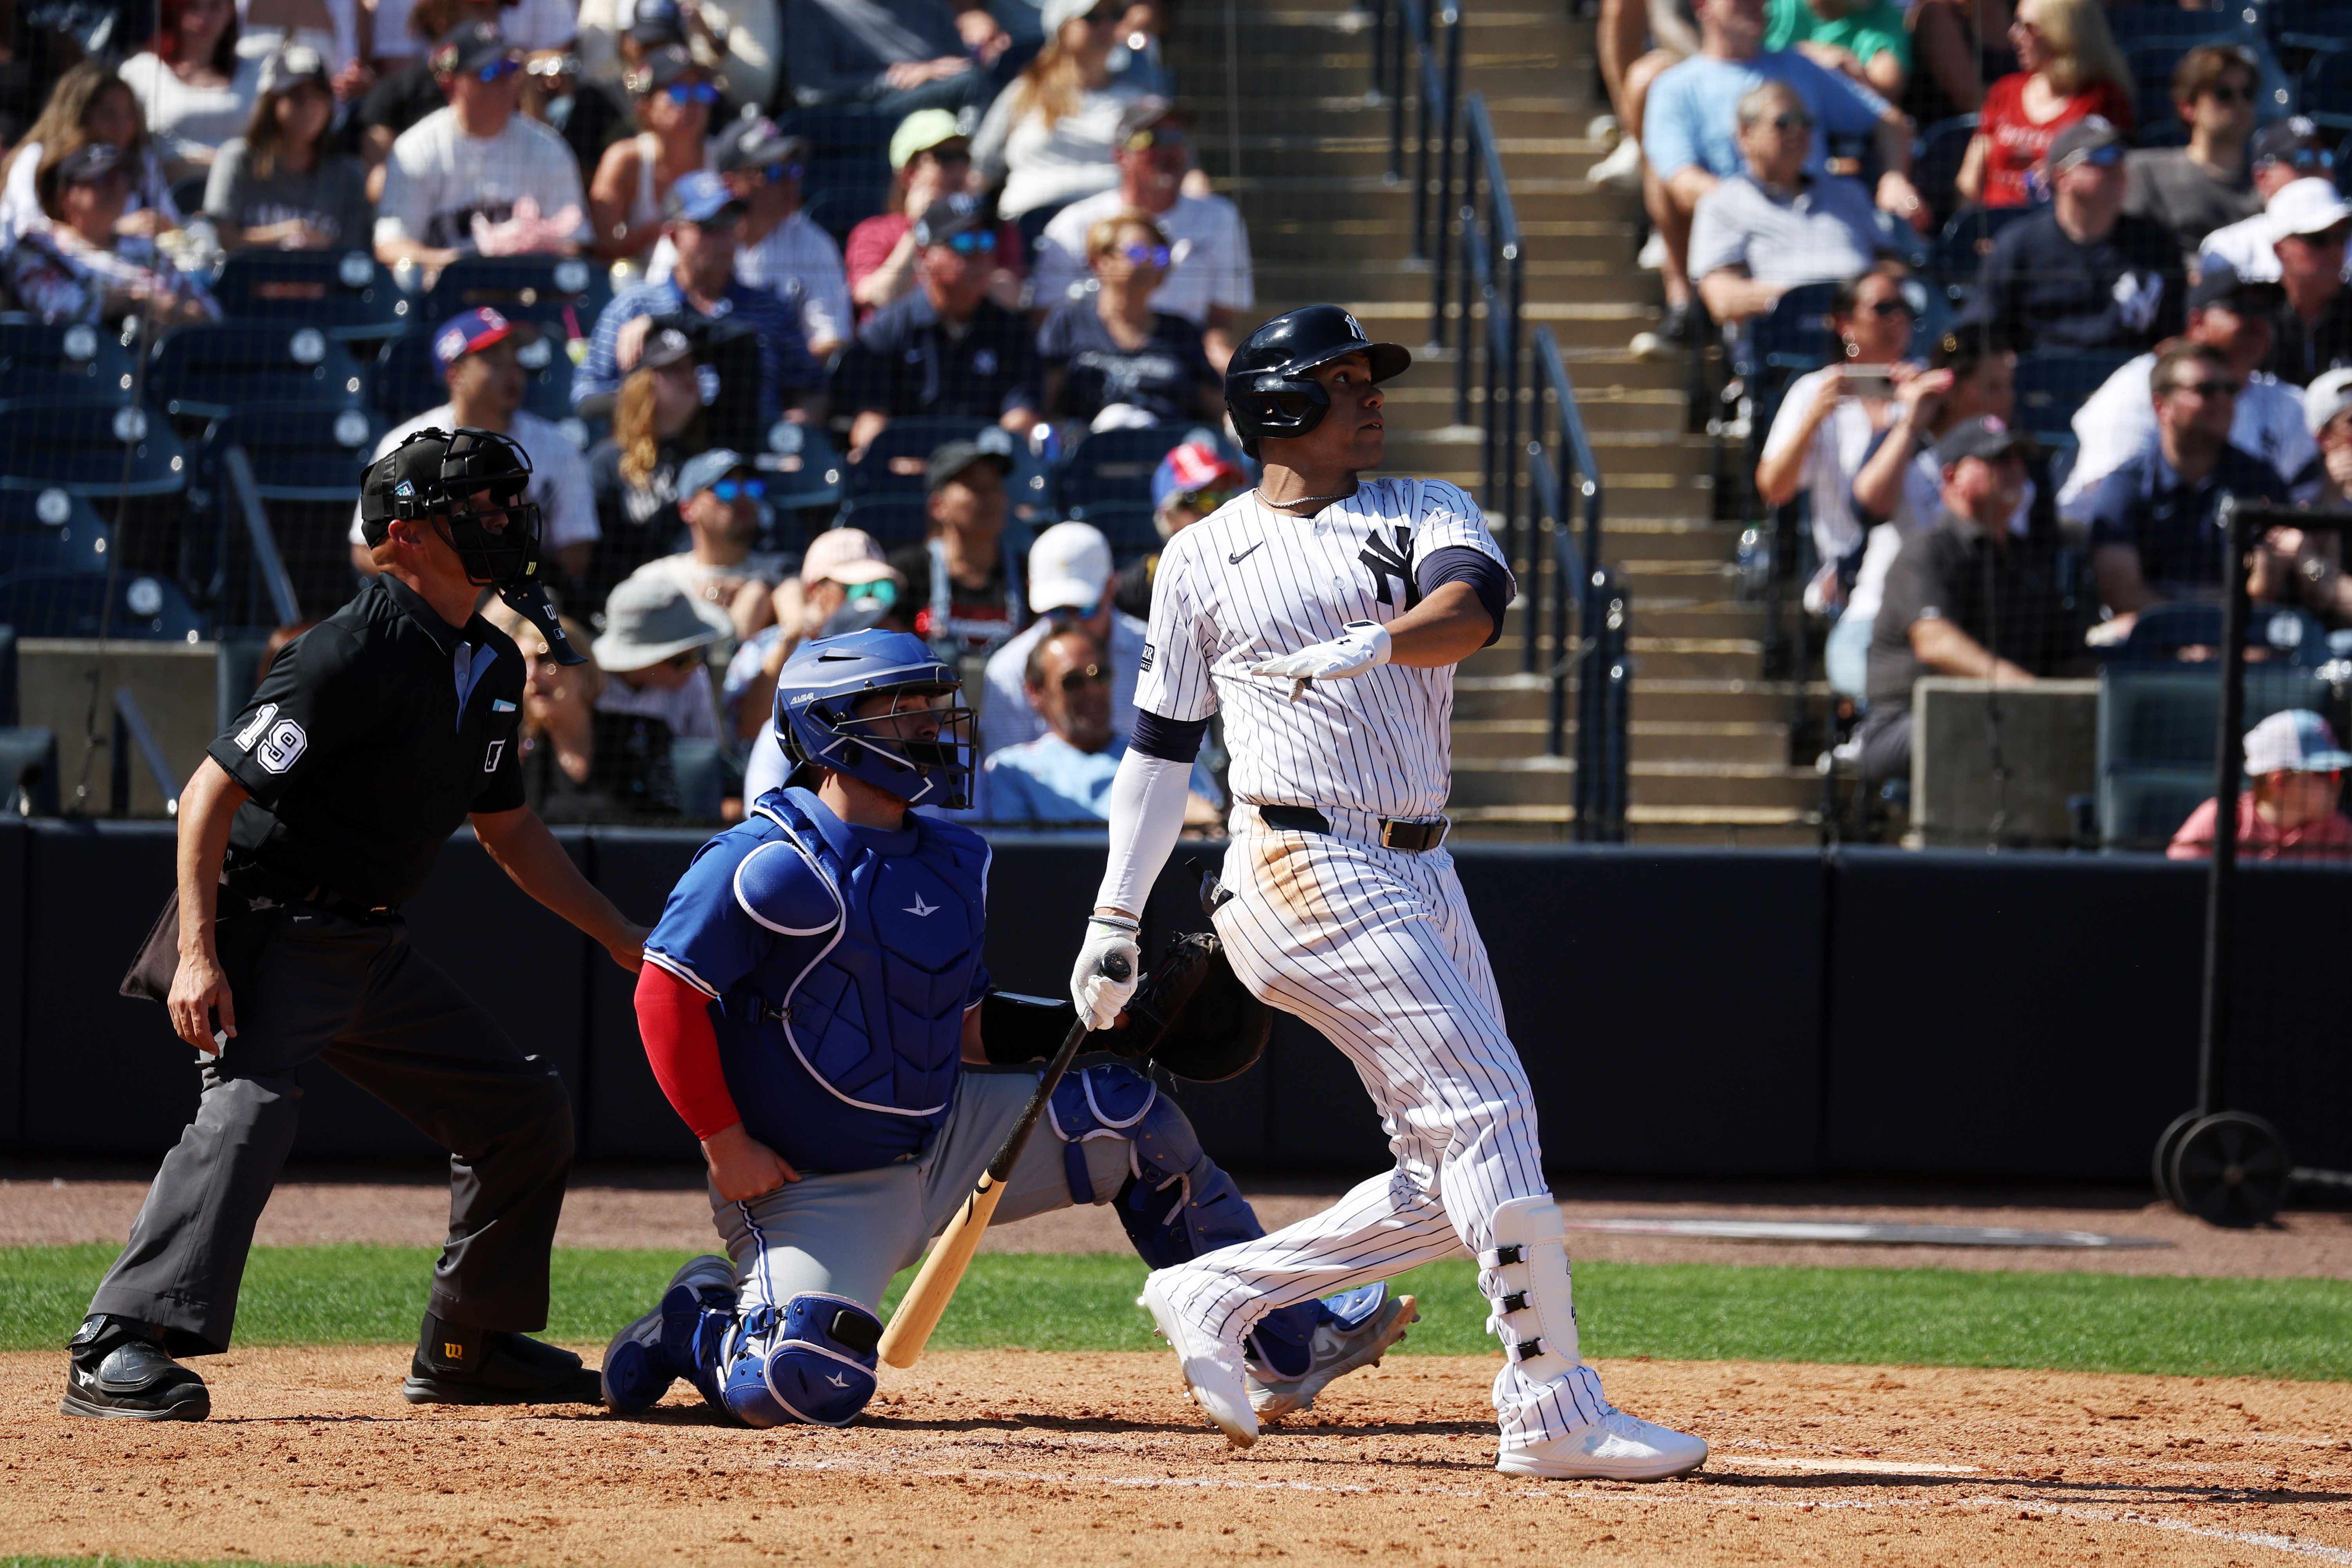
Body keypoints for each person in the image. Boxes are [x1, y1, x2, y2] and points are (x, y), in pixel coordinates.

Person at [1069, 304, 1706, 1476]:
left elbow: (1469, 609)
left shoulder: (1427, 505)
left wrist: (1376, 644)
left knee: (1447, 1166)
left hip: (1419, 861)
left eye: (1369, 378)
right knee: (1489, 1114)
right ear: (1274, 406)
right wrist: (1114, 916)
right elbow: (1159, 753)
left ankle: (1218, 1290)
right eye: (1341, 380)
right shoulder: (1203, 555)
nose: (1370, 397)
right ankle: (1550, 1407)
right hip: (1296, 859)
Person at [605, 625, 1407, 1429]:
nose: (930, 724)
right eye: (903, 708)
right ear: (830, 726)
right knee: (802, 1381)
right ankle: (698, 1318)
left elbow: (962, 1026)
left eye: (933, 704)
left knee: (1125, 1115)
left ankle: (1291, 1337)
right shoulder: (763, 859)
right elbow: (665, 993)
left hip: (945, 1133)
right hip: (811, 1184)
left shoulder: (953, 858)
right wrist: (723, 1141)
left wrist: (1105, 1030)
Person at [67, 427, 648, 1421]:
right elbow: (209, 792)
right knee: (248, 1110)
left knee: (521, 1110)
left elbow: (508, 829)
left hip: (365, 945)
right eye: (482, 505)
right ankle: (116, 1340)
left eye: (511, 502)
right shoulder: (350, 647)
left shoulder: (493, 657)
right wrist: (199, 954)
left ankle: (468, 1341)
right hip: (265, 921)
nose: (507, 519)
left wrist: (619, 935)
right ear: (408, 535)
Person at [1635, 0, 1924, 352]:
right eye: (1784, 124)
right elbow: (1682, 182)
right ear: (1704, 7)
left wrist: (1894, 177)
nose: (1757, 6)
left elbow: (1887, 120)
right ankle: (1682, 301)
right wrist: (1760, 205)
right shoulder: (1676, 87)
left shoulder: (1799, 67)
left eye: (1805, 123)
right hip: (1748, 242)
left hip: (1827, 216)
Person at [1853, 416, 2076, 785]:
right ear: (1951, 477)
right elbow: (1935, 643)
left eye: (2017, 460)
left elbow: (2067, 653)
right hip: (1906, 724)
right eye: (1996, 460)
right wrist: (2029, 692)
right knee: (1989, 733)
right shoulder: (1927, 551)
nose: (2013, 469)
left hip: (2006, 716)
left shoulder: (2026, 561)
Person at [350, 307, 599, 583]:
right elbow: (365, 551)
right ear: (456, 375)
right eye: (494, 360)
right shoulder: (405, 446)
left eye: (515, 360)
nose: (512, 372)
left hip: (527, 591)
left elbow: (577, 560)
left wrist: (521, 527)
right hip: (431, 602)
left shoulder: (559, 448)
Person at [1838, 332, 2024, 697]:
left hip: (1971, 628)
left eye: (2008, 386)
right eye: (1991, 387)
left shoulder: (2011, 462)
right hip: (1881, 625)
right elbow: (1867, 509)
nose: (2007, 400)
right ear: (1951, 389)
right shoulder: (1906, 441)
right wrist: (1910, 423)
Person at [2061, 267, 2315, 525]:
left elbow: (2306, 503)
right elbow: (2110, 500)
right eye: (2241, 308)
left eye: (2265, 311)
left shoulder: (2286, 401)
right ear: (2198, 323)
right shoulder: (2142, 383)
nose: (2257, 323)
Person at [574, 171, 828, 428]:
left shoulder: (770, 309)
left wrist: (793, 428)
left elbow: (814, 390)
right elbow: (586, 395)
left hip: (749, 458)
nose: (724, 236)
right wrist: (650, 405)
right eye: (709, 225)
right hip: (654, 458)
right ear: (673, 236)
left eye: (731, 220)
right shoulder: (634, 306)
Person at [1029, 96, 1253, 370]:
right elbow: (1046, 321)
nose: (1168, 150)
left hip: (1181, 361)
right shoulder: (1074, 224)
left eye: (1176, 137)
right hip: (1090, 366)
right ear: (1121, 155)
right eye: (1152, 139)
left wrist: (1222, 366)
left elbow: (1221, 322)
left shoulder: (1220, 218)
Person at [2085, 340, 2292, 625]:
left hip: (2243, 636)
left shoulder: (2261, 480)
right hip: (2154, 638)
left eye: (2229, 390)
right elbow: (2123, 594)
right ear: (2161, 406)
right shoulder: (2126, 485)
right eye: (2206, 391)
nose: (2222, 402)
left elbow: (2262, 592)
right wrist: (2194, 627)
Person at [1754, 261, 1913, 626]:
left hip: (1925, 568)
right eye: (1883, 309)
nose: (1897, 319)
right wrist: (1812, 420)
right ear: (1845, 325)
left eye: (1904, 309)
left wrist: (1925, 407)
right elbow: (1773, 489)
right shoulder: (1813, 392)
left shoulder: (1928, 387)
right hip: (1850, 578)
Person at [837, 194, 1044, 457]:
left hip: (985, 475)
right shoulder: (886, 330)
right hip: (906, 472)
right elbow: (869, 424)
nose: (980, 255)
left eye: (987, 241)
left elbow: (1020, 421)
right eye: (964, 243)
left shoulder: (1013, 332)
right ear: (925, 255)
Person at [1958, 117, 2184, 356]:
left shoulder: (2155, 243)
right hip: (2041, 385)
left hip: (2131, 384)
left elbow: (2174, 333)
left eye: (2121, 155)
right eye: (2102, 156)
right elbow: (1977, 327)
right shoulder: (2019, 246)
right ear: (2062, 176)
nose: (2117, 167)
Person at [373, 22, 590, 267]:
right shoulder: (417, 148)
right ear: (450, 82)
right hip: (445, 298)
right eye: (488, 72)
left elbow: (575, 245)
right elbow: (391, 245)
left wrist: (535, 247)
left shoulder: (550, 149)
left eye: (509, 68)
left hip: (526, 294)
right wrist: (464, 267)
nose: (504, 81)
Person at [1687, 81, 1896, 329]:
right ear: (1746, 134)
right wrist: (1817, 302)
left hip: (1866, 345)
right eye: (1784, 123)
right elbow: (1721, 299)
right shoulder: (1722, 204)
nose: (1798, 131)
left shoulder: (1849, 194)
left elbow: (1893, 266)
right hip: (1784, 351)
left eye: (1806, 122)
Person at [644, 119, 852, 360]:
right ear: (732, 183)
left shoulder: (816, 244)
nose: (790, 183)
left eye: (794, 169)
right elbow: (656, 316)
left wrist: (765, 366)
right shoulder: (686, 236)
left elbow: (833, 340)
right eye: (773, 172)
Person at [984, 622, 1219, 825]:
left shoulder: (1165, 756)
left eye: (1100, 675)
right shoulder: (1012, 770)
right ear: (1036, 691)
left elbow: (1212, 830)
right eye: (1073, 681)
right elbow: (1017, 862)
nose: (1092, 691)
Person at [726, 526, 906, 753]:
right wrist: (790, 642)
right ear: (815, 590)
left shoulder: (893, 646)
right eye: (857, 588)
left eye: (881, 589)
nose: (871, 600)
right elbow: (748, 731)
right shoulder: (765, 646)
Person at [1037, 209, 1221, 430]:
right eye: (1138, 253)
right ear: (1100, 262)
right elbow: (1041, 404)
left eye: (1160, 256)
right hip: (1088, 455)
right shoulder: (1069, 323)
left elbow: (1219, 409)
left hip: (1167, 455)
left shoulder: (1182, 331)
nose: (1150, 264)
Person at [496, 606, 683, 821]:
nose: (531, 676)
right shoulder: (513, 752)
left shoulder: (641, 735)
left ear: (582, 668)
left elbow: (669, 826)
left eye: (545, 659)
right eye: (521, 664)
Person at [980, 519, 1143, 763]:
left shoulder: (1160, 652)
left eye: (1084, 609)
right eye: (1055, 610)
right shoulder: (1008, 670)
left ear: (1111, 587)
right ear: (1030, 588)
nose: (1072, 623)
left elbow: (1190, 760)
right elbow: (1005, 777)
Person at [5, 142, 221, 326]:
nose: (118, 186)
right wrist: (131, 303)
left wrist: (185, 314)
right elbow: (58, 312)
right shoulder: (39, 247)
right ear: (67, 194)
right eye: (102, 178)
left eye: (123, 176)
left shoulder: (143, 247)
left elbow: (211, 310)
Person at [968, 0, 1144, 221]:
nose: (1106, 25)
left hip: (1111, 230)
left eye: (1114, 15)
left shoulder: (1138, 101)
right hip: (1028, 227)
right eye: (1092, 17)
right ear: (1061, 29)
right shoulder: (1025, 91)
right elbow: (982, 168)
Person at [846, 107, 1026, 321]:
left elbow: (1011, 297)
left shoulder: (992, 225)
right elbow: (881, 298)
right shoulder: (873, 232)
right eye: (946, 157)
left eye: (964, 157)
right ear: (909, 173)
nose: (960, 168)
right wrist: (920, 229)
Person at [1953, 0, 2132, 211]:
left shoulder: (2102, 99)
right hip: (1996, 232)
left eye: (2027, 27)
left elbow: (2108, 186)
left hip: (2057, 232)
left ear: (2063, 34)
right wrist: (1972, 234)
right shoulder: (2005, 91)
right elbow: (1969, 180)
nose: (2013, 34)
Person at [0, 62, 183, 256]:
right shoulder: (36, 156)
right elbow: (28, 230)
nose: (122, 125)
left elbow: (172, 224)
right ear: (79, 115)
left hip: (130, 270)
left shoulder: (142, 159)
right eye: (109, 114)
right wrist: (112, 228)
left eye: (129, 114)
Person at [203, 44, 373, 250]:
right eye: (297, 96)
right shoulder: (237, 159)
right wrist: (285, 235)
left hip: (320, 282)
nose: (310, 107)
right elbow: (218, 241)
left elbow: (355, 255)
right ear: (271, 103)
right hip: (248, 280)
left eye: (319, 96)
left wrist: (321, 248)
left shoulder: (349, 174)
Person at [622, 447, 794, 650]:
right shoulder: (658, 578)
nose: (743, 498)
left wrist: (753, 591)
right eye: (726, 490)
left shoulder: (783, 571)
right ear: (688, 509)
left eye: (752, 488)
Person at [585, 325, 707, 608]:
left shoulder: (700, 458)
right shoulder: (607, 461)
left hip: (693, 599)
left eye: (691, 367)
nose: (689, 377)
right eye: (674, 369)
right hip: (625, 601)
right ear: (644, 383)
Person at [2123, 45, 2264, 274]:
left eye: (2248, 93)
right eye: (2223, 94)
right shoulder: (2145, 172)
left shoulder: (2268, 181)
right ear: (2188, 107)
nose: (2239, 103)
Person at [890, 436, 1025, 658]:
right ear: (938, 506)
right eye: (974, 486)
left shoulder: (1028, 576)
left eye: (994, 486)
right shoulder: (906, 574)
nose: (989, 498)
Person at [586, 45, 714, 264]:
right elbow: (600, 249)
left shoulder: (724, 158)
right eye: (679, 93)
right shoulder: (625, 160)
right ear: (645, 107)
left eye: (702, 91)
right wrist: (663, 234)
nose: (694, 104)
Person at [2169, 710, 2352, 862]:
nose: (2339, 782)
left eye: (2338, 773)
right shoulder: (2220, 818)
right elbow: (2176, 890)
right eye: (2327, 773)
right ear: (2279, 780)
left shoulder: (2340, 831)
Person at [777, 0, 1009, 113]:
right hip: (871, 113)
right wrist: (890, 80)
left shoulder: (927, 4)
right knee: (970, 85)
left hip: (943, 94)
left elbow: (963, 62)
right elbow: (812, 92)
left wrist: (988, 51)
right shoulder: (813, 7)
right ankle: (976, 178)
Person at [122, 0, 262, 178]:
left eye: (215, 7)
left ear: (231, 14)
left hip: (240, 191)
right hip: (168, 194)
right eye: (192, 7)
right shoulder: (141, 71)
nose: (203, 19)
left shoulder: (256, 72)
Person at [2198, 125, 2347, 286]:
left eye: (2326, 156)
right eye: (2303, 159)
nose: (2319, 168)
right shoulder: (2226, 249)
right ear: (2263, 177)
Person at [1113, 437, 1242, 618]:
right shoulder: (1136, 590)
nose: (1217, 511)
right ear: (1169, 515)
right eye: (1202, 502)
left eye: (1225, 499)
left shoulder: (1258, 568)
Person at [592, 573, 728, 741]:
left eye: (699, 654)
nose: (696, 665)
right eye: (684, 661)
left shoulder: (694, 679)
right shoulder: (590, 687)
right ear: (643, 662)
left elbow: (705, 753)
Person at [2253, 180, 2352, 390]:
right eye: (2319, 239)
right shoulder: (2253, 318)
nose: (2336, 251)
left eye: (2342, 236)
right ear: (2280, 250)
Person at [1763, 0, 1906, 100]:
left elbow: (1887, 93)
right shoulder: (1769, 7)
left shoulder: (1882, 14)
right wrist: (1811, 58)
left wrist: (1850, 75)